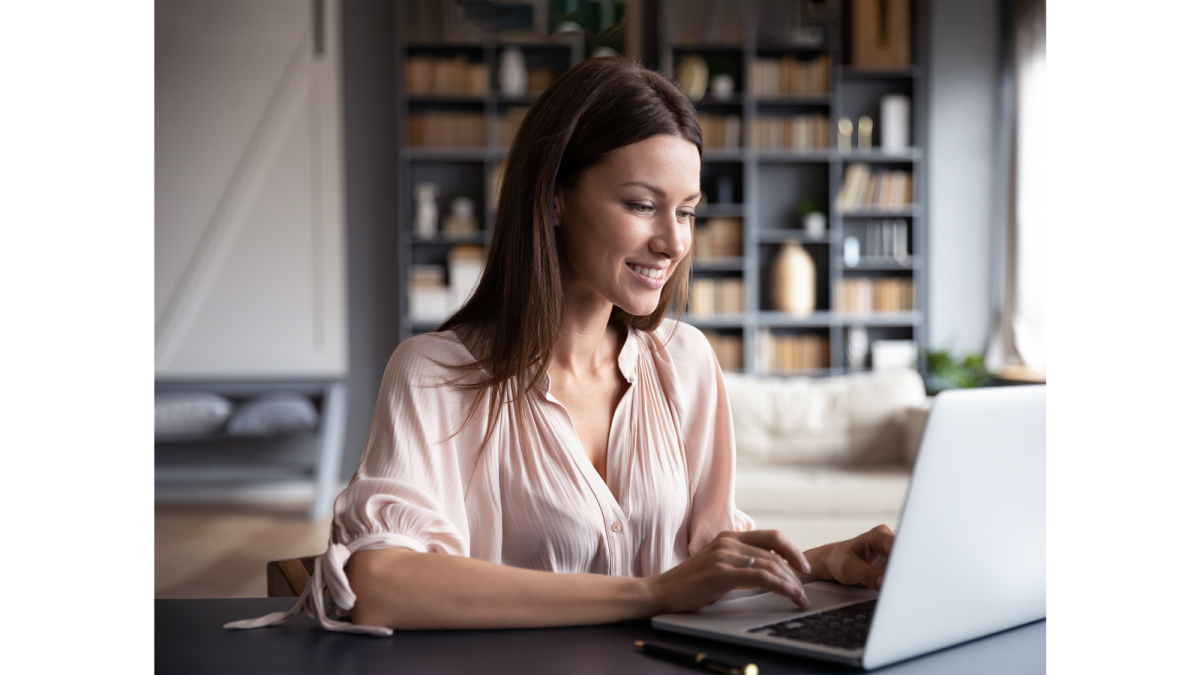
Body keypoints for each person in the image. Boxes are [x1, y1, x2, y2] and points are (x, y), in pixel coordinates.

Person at [226, 57, 894, 637]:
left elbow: (704, 567)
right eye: (642, 204)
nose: (674, 241)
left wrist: (828, 561)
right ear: (553, 199)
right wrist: (648, 593)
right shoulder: (433, 375)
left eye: (687, 210)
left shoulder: (685, 363)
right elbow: (378, 584)